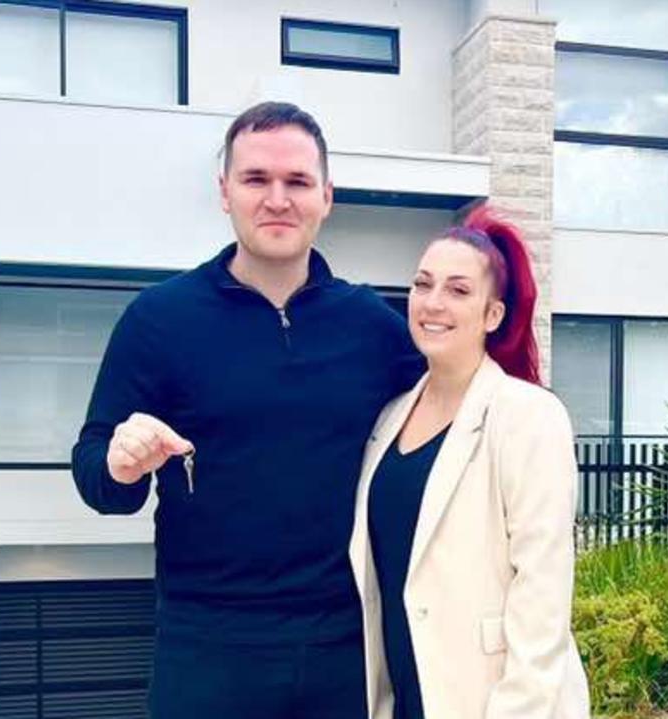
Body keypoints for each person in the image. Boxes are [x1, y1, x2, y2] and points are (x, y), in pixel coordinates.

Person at [70, 101, 421, 719]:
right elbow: (95, 473)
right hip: (206, 651)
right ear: (225, 192)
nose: (277, 199)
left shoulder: (375, 328)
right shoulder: (159, 320)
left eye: (297, 182)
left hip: (344, 646)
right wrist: (122, 464)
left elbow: (444, 430)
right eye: (257, 179)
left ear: (327, 196)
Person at [349, 207, 590, 719]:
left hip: (490, 701)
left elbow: (542, 595)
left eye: (458, 290)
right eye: (423, 284)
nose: (433, 303)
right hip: (407, 697)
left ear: (492, 314)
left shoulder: (528, 415)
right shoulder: (389, 418)